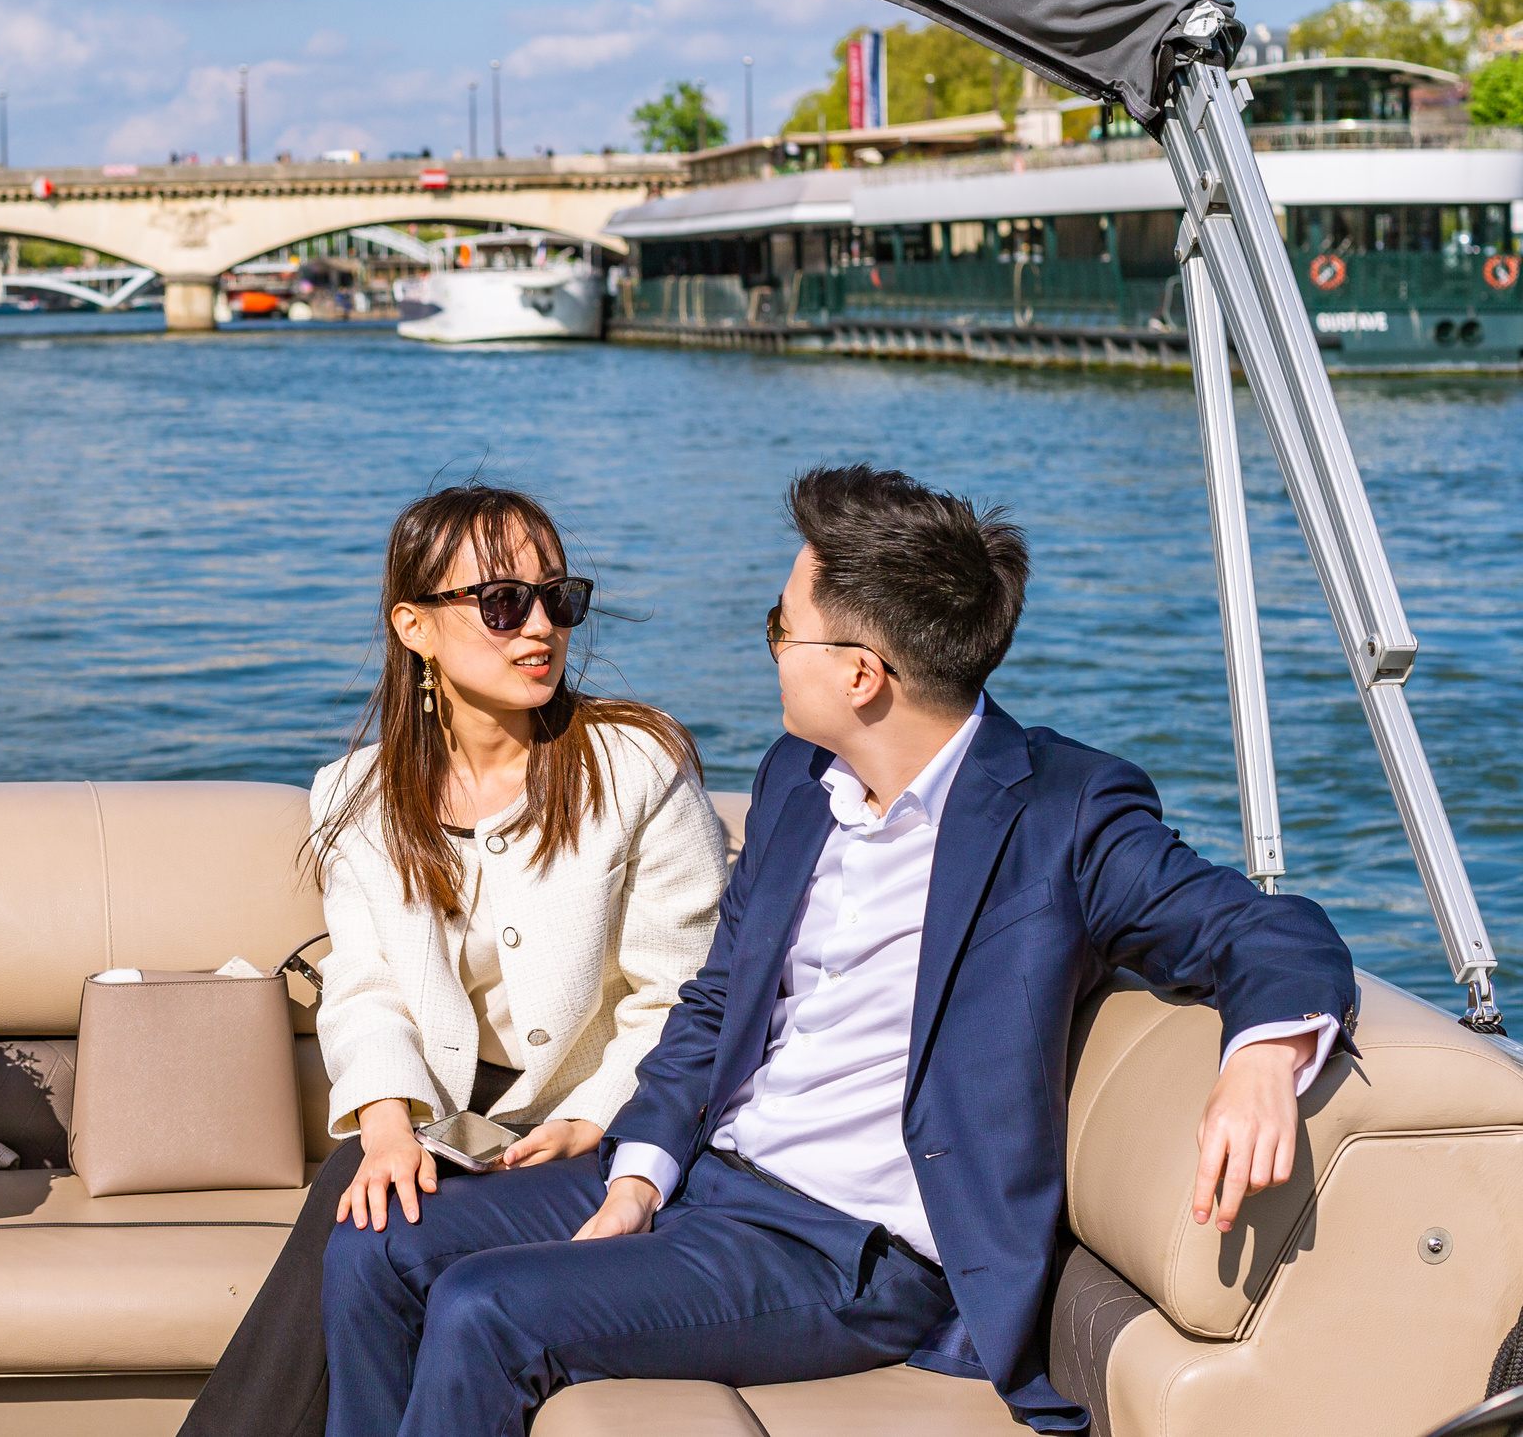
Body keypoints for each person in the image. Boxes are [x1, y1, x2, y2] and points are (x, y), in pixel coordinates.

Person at [323, 464, 1358, 1437]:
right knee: (379, 1249)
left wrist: (1263, 1058)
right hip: (705, 1177)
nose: (768, 644)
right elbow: (716, 1001)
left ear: (861, 674)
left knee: (485, 1307)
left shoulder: (1061, 813)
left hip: (850, 1255)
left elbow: (1263, 929)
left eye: (782, 626)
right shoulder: (795, 781)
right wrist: (636, 1175)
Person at [177, 483, 731, 1437]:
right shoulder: (358, 794)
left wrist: (594, 1116)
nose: (540, 626)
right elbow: (367, 984)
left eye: (559, 597)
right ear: (414, 627)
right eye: (502, 601)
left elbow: (681, 995)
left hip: (594, 1122)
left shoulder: (636, 764)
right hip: (445, 1117)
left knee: (359, 1226)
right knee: (365, 1190)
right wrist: (389, 1123)